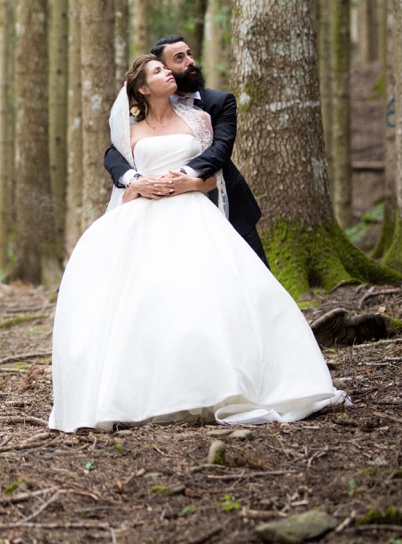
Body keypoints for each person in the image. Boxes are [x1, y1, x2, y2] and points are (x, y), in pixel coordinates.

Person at [49, 54, 344, 433]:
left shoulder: (199, 119)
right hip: (143, 217)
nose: (168, 73)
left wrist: (189, 182)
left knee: (206, 295)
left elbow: (214, 177)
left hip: (192, 214)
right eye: (158, 71)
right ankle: (141, 391)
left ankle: (223, 384)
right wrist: (137, 183)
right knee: (143, 301)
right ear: (142, 88)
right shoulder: (129, 131)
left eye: (166, 68)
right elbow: (121, 176)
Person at [104, 36, 266, 265]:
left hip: (218, 198)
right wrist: (135, 181)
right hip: (151, 209)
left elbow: (220, 149)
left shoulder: (218, 103)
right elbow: (114, 153)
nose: (190, 61)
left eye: (189, 54)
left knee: (249, 271)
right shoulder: (139, 117)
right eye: (179, 58)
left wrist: (186, 179)